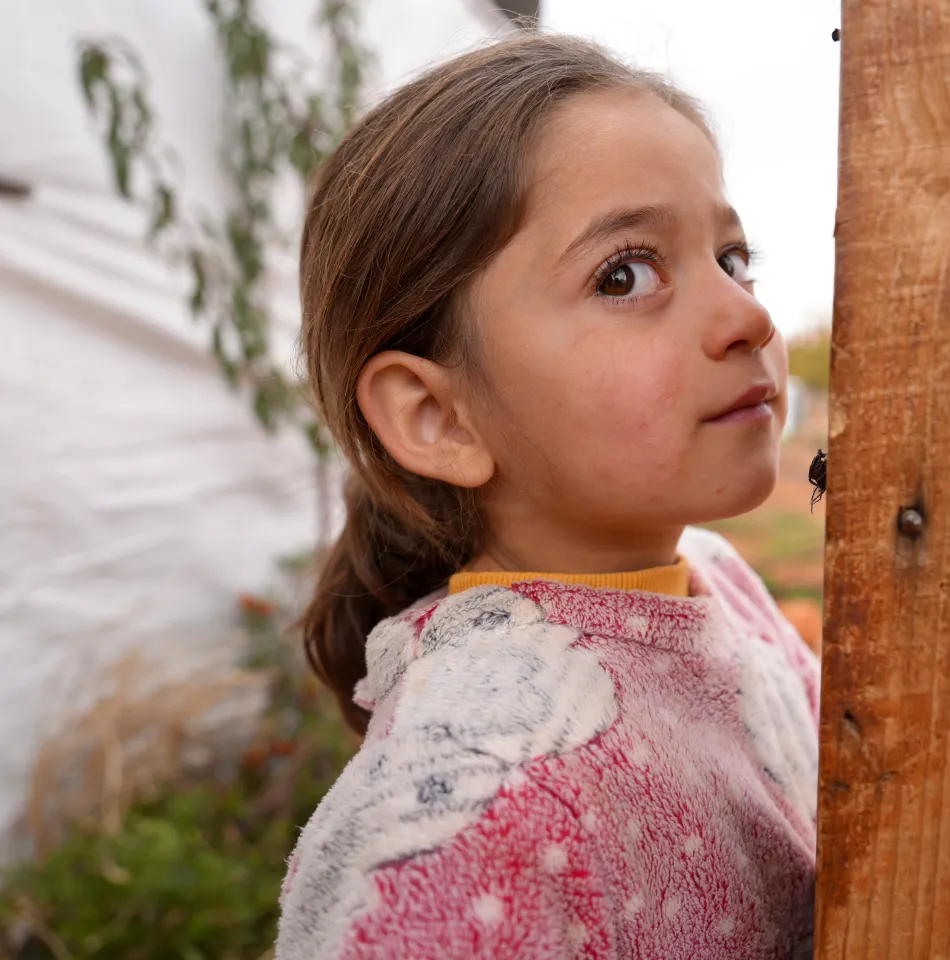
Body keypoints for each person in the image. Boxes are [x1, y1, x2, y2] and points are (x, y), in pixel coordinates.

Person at [275, 36, 818, 959]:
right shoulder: (460, 832)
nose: (750, 317)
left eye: (732, 257)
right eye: (626, 275)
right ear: (437, 416)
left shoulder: (719, 582)